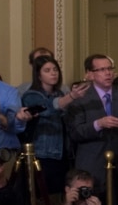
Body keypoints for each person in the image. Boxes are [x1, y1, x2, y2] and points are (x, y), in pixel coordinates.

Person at [66, 54, 118, 198]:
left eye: (109, 69)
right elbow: (75, 132)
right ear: (90, 74)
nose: (107, 73)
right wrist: (98, 124)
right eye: (101, 70)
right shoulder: (81, 97)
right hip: (91, 162)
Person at [22, 55, 90, 196]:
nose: (53, 73)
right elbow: (46, 108)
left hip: (63, 153)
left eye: (55, 69)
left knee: (61, 196)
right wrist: (71, 96)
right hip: (42, 154)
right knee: (42, 198)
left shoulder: (60, 93)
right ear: (39, 75)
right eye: (47, 70)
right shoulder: (31, 95)